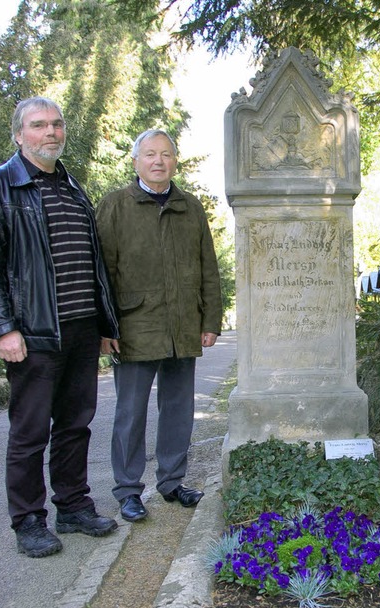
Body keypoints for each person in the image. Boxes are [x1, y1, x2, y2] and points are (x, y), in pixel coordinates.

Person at [0, 97, 119, 558]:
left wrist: (103, 323)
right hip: (32, 332)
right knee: (30, 431)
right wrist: (3, 330)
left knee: (76, 424)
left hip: (79, 330)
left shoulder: (74, 188)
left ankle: (73, 506)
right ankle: (28, 520)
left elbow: (92, 263)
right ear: (19, 134)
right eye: (38, 125)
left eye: (56, 124)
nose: (50, 132)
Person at [96, 129, 223, 523]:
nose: (158, 161)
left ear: (174, 161)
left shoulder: (191, 208)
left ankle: (171, 482)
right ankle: (128, 490)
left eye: (165, 154)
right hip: (133, 329)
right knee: (130, 413)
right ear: (135, 161)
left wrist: (210, 320)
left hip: (183, 326)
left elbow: (208, 269)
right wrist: (105, 326)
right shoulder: (115, 206)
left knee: (178, 410)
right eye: (149, 154)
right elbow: (101, 273)